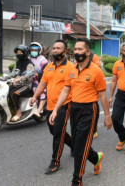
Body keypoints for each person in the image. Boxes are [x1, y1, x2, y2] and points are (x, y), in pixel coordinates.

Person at [49, 38, 112, 186]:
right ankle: (96, 158)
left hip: (89, 110)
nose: (76, 52)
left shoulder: (96, 71)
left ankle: (77, 179)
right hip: (74, 108)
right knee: (79, 144)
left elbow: (102, 95)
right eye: (75, 49)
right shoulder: (71, 69)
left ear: (88, 52)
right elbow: (66, 90)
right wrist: (56, 110)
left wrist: (107, 116)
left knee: (79, 147)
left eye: (80, 49)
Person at [30, 40, 74, 174]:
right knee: (53, 130)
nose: (54, 50)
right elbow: (42, 84)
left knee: (58, 134)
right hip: (50, 105)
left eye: (58, 48)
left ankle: (55, 161)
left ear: (65, 52)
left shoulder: (71, 67)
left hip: (64, 105)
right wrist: (35, 97)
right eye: (54, 48)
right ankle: (74, 145)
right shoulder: (49, 67)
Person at [8, 44, 34, 122]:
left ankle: (18, 113)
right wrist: (4, 77)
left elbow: (28, 75)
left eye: (20, 52)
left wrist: (20, 78)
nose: (18, 54)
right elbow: (13, 73)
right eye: (17, 52)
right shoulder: (18, 62)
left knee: (13, 94)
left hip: (26, 85)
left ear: (25, 53)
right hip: (18, 84)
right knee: (6, 91)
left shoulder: (29, 63)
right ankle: (10, 109)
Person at [29, 42, 49, 117]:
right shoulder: (30, 59)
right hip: (33, 80)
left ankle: (40, 108)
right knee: (34, 92)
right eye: (32, 50)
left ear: (39, 50)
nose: (33, 51)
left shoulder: (43, 60)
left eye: (35, 50)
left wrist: (38, 75)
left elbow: (46, 72)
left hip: (42, 80)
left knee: (43, 92)